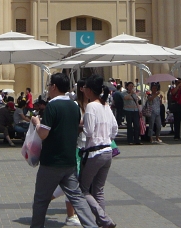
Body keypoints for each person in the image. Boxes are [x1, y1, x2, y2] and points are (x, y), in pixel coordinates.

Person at [29, 73, 98, 228]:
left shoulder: (52, 106)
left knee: (41, 200)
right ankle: (91, 226)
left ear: (54, 87)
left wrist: (37, 122)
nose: (48, 89)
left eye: (49, 86)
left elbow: (43, 134)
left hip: (52, 161)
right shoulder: (74, 106)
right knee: (77, 198)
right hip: (70, 161)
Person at [78, 75, 118, 228]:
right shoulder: (105, 105)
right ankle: (102, 222)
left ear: (89, 90)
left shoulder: (91, 106)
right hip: (107, 150)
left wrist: (80, 126)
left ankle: (104, 219)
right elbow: (114, 129)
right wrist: (105, 137)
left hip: (94, 153)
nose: (83, 91)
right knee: (99, 190)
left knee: (83, 189)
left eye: (84, 88)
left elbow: (88, 131)